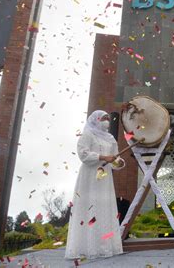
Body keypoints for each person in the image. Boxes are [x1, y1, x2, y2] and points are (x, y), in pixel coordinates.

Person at [65, 110, 125, 259]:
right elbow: (83, 154)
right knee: (89, 207)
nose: (107, 121)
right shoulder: (87, 134)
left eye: (108, 119)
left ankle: (104, 246)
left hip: (104, 178)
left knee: (103, 209)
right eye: (103, 118)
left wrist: (119, 162)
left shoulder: (111, 138)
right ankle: (87, 247)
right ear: (96, 119)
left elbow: (114, 160)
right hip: (90, 176)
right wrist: (103, 157)